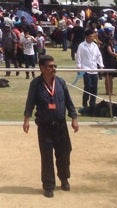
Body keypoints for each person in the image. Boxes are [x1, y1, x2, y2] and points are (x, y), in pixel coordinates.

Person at [23, 54, 79, 198]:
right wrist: (26, 119)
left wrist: (74, 118)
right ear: (42, 68)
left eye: (55, 66)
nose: (53, 68)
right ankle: (48, 185)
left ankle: (64, 178)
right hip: (45, 126)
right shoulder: (35, 84)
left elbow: (68, 101)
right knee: (47, 156)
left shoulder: (60, 82)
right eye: (50, 66)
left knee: (65, 152)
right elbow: (30, 102)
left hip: (61, 125)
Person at [74, 29, 102, 115]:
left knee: (94, 88)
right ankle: (84, 103)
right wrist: (79, 67)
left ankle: (92, 104)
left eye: (93, 36)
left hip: (94, 69)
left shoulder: (95, 45)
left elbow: (98, 55)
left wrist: (101, 65)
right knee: (88, 86)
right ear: (86, 36)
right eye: (91, 36)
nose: (92, 38)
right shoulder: (82, 45)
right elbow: (78, 57)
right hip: (85, 69)